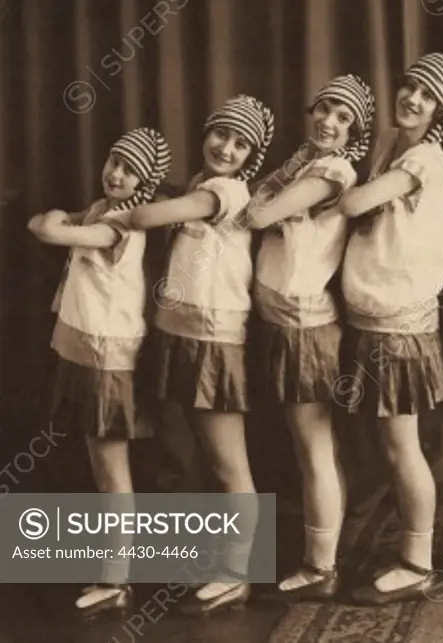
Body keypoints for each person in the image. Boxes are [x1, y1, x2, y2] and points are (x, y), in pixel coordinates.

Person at [128, 95, 274, 614]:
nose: (227, 148)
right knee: (183, 456)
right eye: (221, 135)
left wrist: (106, 209)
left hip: (212, 343)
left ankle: (236, 575)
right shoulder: (198, 182)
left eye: (241, 143)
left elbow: (146, 214)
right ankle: (198, 560)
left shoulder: (226, 190)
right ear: (206, 132)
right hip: (176, 336)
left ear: (251, 155)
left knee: (228, 462)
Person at [335, 52, 443, 605]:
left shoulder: (428, 157)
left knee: (402, 445)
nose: (412, 98)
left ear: (439, 112)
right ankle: (400, 551)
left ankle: (418, 563)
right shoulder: (391, 140)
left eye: (426, 96)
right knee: (385, 446)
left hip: (400, 326)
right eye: (409, 85)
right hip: (373, 319)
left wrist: (335, 181)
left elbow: (357, 200)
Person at [27, 127, 172, 619]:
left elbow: (45, 229)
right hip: (86, 353)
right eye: (114, 161)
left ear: (144, 184)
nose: (116, 173)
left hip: (106, 360)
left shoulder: (117, 227)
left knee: (112, 472)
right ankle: (113, 572)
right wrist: (64, 215)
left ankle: (117, 580)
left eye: (130, 170)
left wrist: (55, 216)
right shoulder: (99, 211)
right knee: (99, 465)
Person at [244, 74, 375, 601]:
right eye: (324, 109)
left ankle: (321, 568)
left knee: (314, 446)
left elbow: (256, 211)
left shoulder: (332, 170)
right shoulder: (303, 163)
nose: (330, 122)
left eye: (344, 118)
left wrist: (271, 191)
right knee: (306, 447)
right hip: (282, 321)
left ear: (354, 133)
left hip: (305, 326)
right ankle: (321, 558)